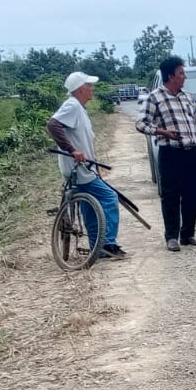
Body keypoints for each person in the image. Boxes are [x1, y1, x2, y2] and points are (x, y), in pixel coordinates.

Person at [46, 71, 125, 258]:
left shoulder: (79, 108)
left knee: (89, 208)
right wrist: (72, 150)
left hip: (84, 168)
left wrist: (95, 168)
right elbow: (52, 125)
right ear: (81, 89)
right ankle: (108, 243)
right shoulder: (72, 105)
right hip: (78, 169)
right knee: (109, 197)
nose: (92, 89)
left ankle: (98, 248)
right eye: (89, 86)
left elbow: (84, 141)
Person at [135, 55, 196, 251]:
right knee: (171, 196)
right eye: (181, 73)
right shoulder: (155, 97)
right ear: (171, 76)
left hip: (193, 152)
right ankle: (171, 237)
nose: (184, 76)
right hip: (171, 153)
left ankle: (188, 234)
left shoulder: (187, 96)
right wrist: (161, 131)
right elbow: (140, 123)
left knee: (193, 194)